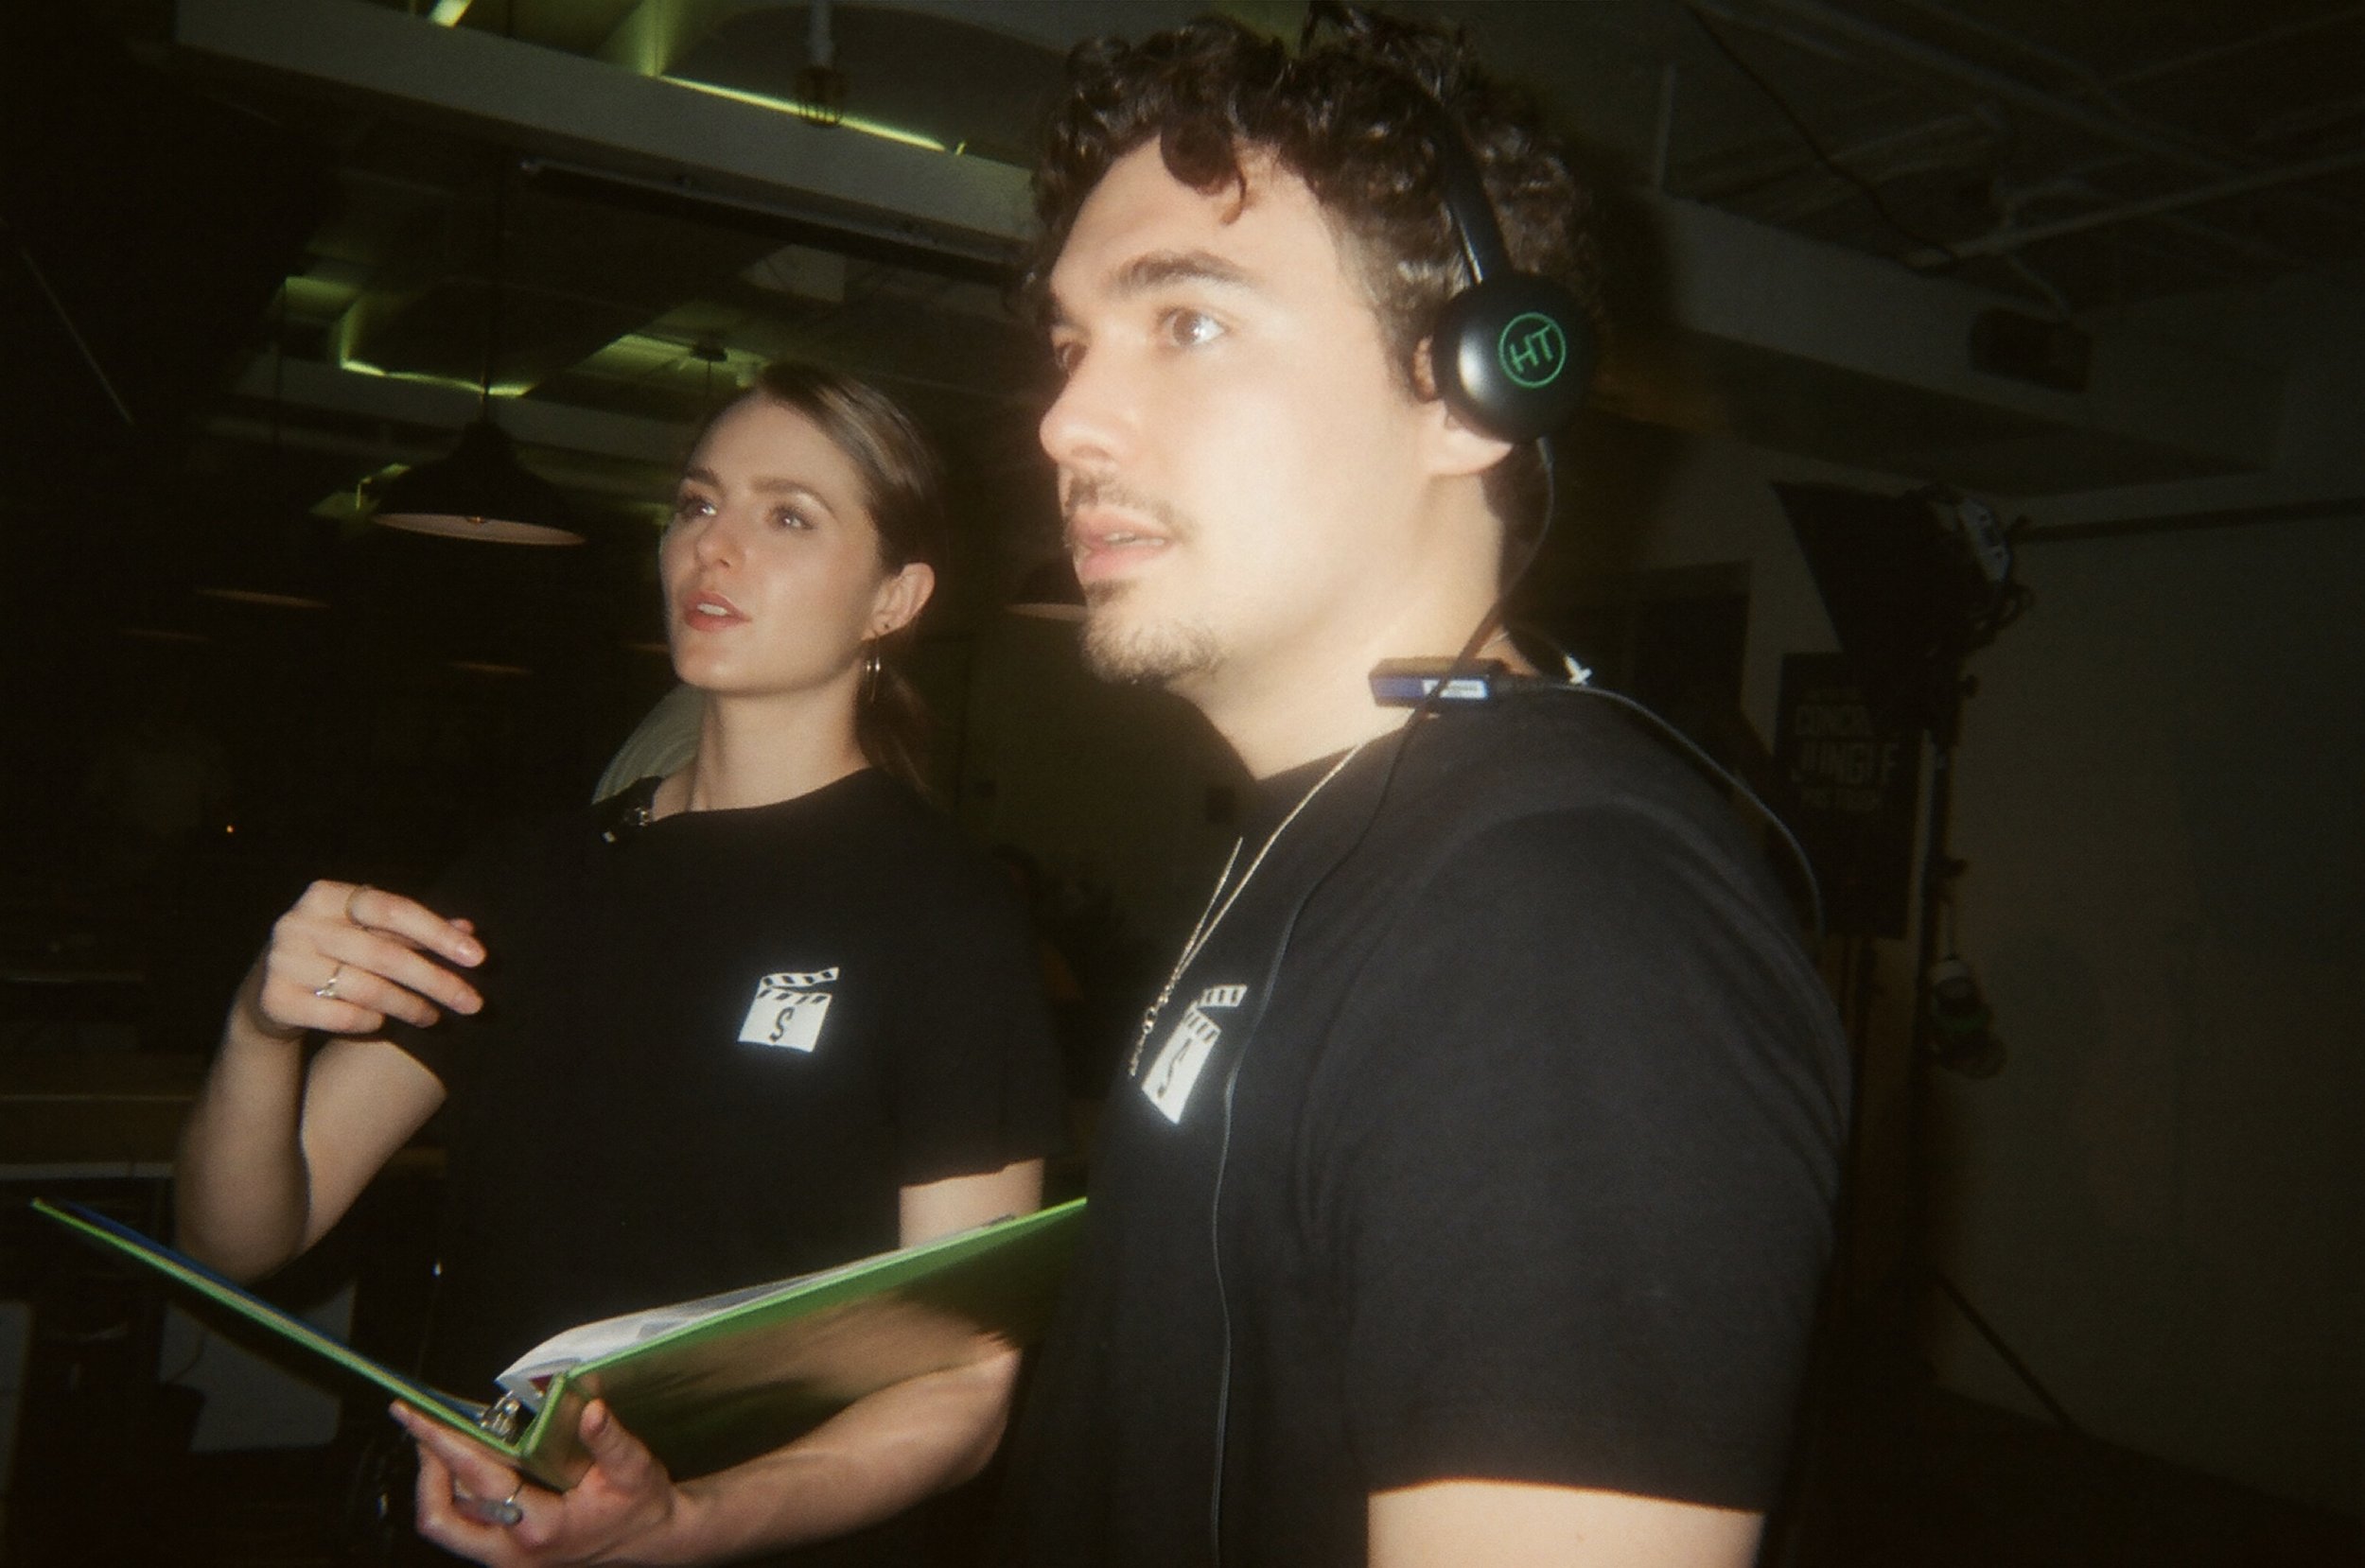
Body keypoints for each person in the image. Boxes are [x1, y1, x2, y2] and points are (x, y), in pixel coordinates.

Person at [992, 8, 1850, 1566]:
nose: (1064, 422)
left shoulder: (1569, 927)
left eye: (1183, 321)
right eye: (1069, 346)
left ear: (1475, 389)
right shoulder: (1341, 827)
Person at [176, 362, 1069, 1567]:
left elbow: (961, 1385)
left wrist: (677, 1521)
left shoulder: (941, 913)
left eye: (787, 515)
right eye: (698, 504)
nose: (716, 548)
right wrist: (259, 1029)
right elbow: (243, 1236)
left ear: (894, 597)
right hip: (478, 1525)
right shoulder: (526, 878)